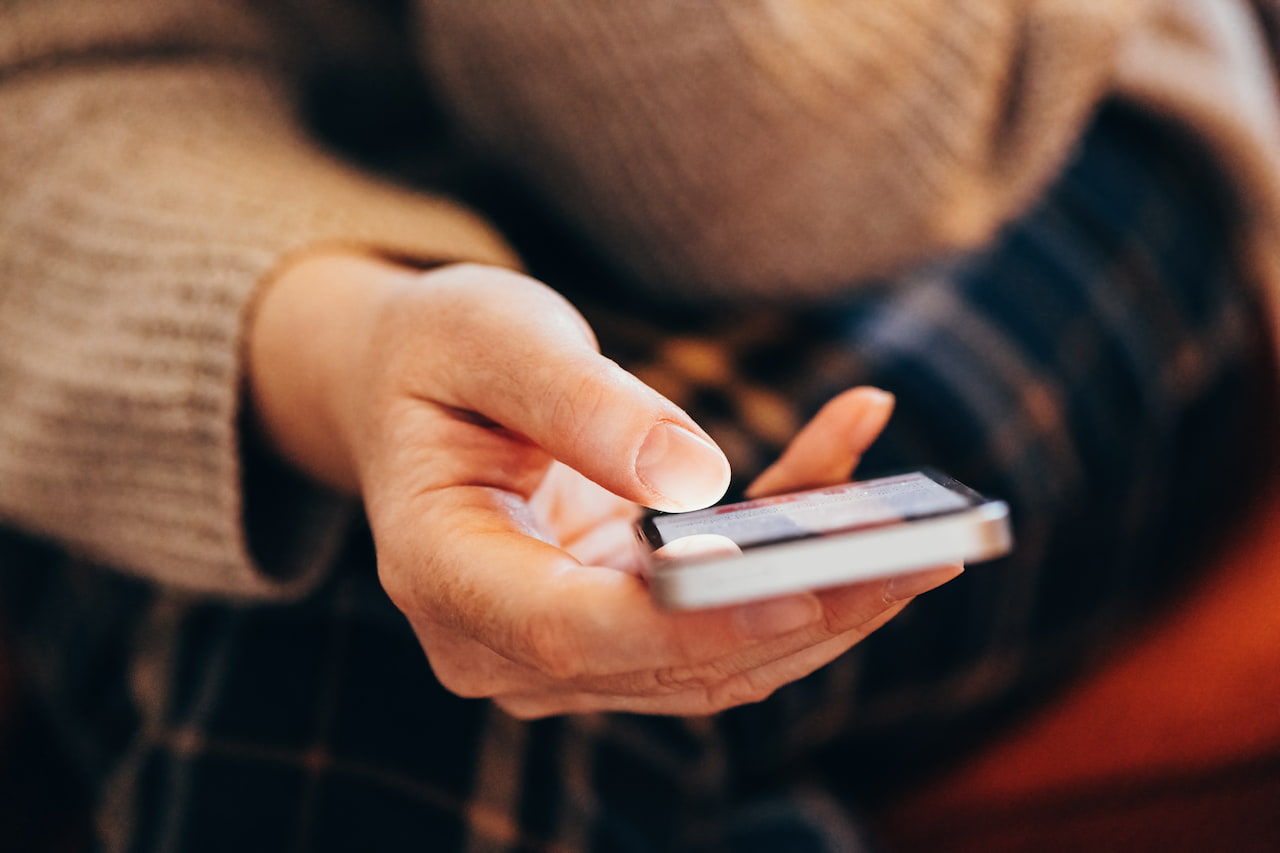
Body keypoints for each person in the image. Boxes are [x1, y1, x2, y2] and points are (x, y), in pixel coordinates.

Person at [1, 1, 1277, 850]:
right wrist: (350, 348)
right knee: (392, 637)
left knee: (398, 690)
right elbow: (43, 85)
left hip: (981, 144)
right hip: (231, 234)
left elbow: (771, 167)